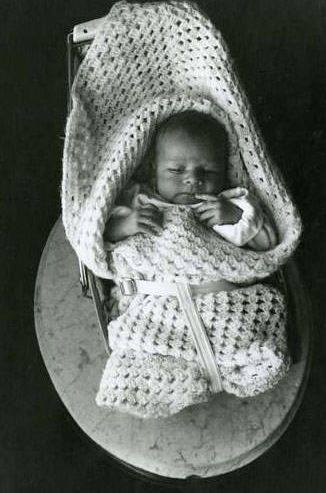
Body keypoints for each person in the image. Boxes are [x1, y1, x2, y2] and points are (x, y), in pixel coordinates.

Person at [95, 110, 290, 419]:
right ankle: (176, 382)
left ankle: (231, 369)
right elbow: (102, 238)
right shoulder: (141, 200)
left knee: (255, 343)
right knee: (139, 351)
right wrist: (128, 224)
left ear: (224, 174)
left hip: (221, 299)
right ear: (154, 171)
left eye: (208, 171)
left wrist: (234, 218)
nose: (193, 178)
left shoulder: (230, 202)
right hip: (157, 307)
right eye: (176, 169)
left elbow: (266, 245)